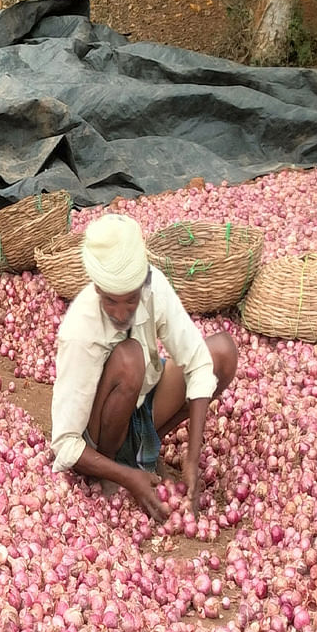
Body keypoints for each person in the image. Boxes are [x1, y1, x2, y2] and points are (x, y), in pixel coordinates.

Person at [49, 212, 239, 521]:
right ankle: (112, 468)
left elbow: (198, 362)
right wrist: (127, 478)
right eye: (111, 301)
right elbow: (65, 444)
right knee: (130, 358)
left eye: (131, 300)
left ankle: (144, 450)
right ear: (97, 289)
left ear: (141, 284)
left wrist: (193, 457)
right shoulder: (79, 331)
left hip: (141, 406)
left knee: (222, 352)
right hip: (98, 433)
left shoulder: (154, 286)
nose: (122, 313)